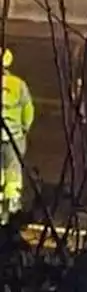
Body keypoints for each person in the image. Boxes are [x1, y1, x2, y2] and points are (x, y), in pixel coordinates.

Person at [1, 48, 34, 216]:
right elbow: (28, 111)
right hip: (13, 137)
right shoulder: (19, 84)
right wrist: (24, 129)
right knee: (13, 172)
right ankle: (12, 206)